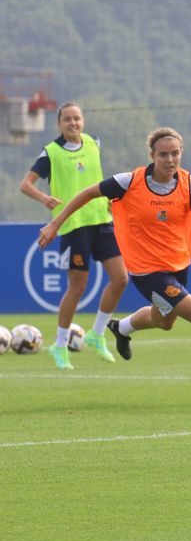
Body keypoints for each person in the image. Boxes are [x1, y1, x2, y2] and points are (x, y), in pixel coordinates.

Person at [37, 127, 191, 394]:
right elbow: (86, 194)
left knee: (164, 322)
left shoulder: (188, 184)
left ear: (181, 153)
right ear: (152, 155)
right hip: (147, 272)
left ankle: (121, 327)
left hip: (178, 266)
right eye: (163, 154)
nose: (170, 160)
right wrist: (55, 224)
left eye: (175, 153)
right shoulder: (129, 181)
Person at [19, 101, 129, 369]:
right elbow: (25, 184)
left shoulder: (94, 143)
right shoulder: (51, 152)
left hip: (101, 220)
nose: (73, 123)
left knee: (121, 278)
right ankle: (59, 345)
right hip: (72, 225)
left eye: (77, 118)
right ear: (59, 124)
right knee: (77, 287)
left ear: (83, 121)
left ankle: (97, 334)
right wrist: (44, 198)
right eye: (67, 119)